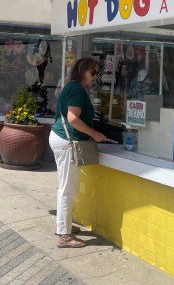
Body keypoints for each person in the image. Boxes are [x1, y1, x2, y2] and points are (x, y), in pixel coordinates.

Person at [49, 57, 110, 248]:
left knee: (64, 187)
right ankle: (65, 236)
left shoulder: (71, 86)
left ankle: (63, 226)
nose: (95, 77)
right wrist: (94, 134)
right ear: (81, 71)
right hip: (67, 143)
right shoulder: (76, 89)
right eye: (92, 73)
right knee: (68, 189)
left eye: (97, 73)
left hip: (60, 139)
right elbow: (73, 119)